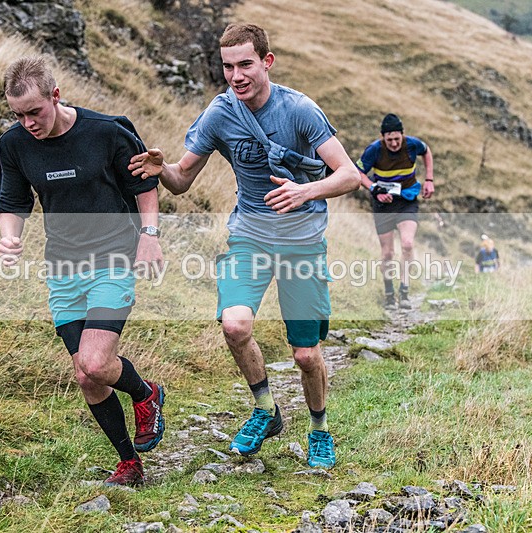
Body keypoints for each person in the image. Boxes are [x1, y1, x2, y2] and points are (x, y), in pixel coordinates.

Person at [129, 23, 360, 469]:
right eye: (228, 66)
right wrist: (162, 168)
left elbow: (349, 175)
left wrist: (304, 192)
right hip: (249, 236)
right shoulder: (220, 115)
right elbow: (181, 181)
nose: (236, 75)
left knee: (306, 355)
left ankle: (319, 429)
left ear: (266, 62)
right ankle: (265, 409)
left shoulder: (300, 111)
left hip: (303, 242)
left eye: (245, 64)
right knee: (234, 326)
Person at [0, 57, 165, 487]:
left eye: (35, 111)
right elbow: (13, 201)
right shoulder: (14, 144)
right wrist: (9, 237)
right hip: (63, 268)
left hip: (114, 259)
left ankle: (146, 395)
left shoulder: (107, 131)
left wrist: (150, 234)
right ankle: (130, 462)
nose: (28, 122)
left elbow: (144, 185)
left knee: (94, 360)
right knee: (87, 377)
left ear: (55, 95)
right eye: (18, 115)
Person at [356, 114, 434, 310]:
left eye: (396, 139)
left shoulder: (412, 145)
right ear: (383, 137)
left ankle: (404, 292)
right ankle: (389, 293)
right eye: (389, 139)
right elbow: (358, 173)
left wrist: (429, 179)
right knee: (388, 253)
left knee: (407, 244)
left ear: (402, 135)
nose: (393, 143)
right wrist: (374, 189)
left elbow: (427, 152)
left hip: (406, 200)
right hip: (383, 204)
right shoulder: (374, 150)